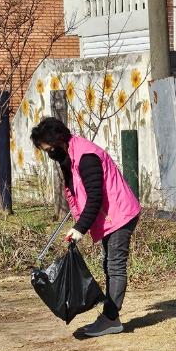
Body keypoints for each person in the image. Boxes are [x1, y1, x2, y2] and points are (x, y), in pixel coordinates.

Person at [31, 117, 141, 337]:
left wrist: (80, 228)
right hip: (108, 216)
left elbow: (95, 198)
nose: (50, 153)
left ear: (59, 140)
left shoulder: (85, 157)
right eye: (46, 150)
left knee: (115, 266)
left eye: (49, 148)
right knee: (108, 264)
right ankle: (110, 316)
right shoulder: (69, 156)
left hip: (119, 214)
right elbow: (78, 194)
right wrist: (78, 222)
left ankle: (111, 319)